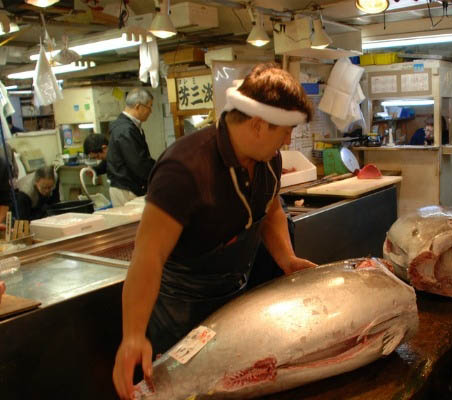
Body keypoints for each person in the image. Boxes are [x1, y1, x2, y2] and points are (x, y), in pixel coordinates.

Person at [112, 63, 318, 399]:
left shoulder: (269, 159)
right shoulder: (184, 168)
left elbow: (271, 210)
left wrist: (287, 258)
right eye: (286, 130)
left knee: (231, 387)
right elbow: (147, 258)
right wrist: (133, 335)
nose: (288, 139)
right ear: (258, 124)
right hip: (181, 308)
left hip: (234, 296)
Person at [107, 88, 156, 207]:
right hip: (126, 189)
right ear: (138, 106)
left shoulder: (129, 126)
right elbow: (138, 163)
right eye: (149, 107)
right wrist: (160, 170)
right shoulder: (125, 129)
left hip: (128, 186)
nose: (151, 111)